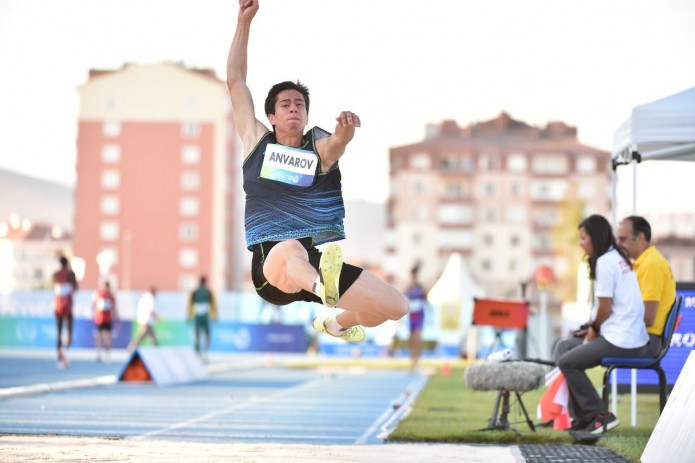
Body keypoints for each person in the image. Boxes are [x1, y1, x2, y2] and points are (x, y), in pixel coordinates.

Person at [226, 0, 408, 343]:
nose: (294, 108)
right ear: (274, 117)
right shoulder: (256, 142)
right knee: (292, 246)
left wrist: (346, 130)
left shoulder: (317, 148)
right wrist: (244, 23)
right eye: (286, 104)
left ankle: (336, 323)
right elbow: (235, 81)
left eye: (300, 104)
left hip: (315, 264)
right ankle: (322, 290)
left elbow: (337, 143)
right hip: (273, 269)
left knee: (395, 307)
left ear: (307, 116)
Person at [557, 214, 650, 434]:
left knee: (567, 363)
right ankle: (580, 417)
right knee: (564, 347)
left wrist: (594, 329)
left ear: (595, 238)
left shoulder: (605, 263)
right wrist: (592, 325)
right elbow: (609, 308)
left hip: (623, 340)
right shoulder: (615, 257)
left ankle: (599, 415)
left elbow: (605, 310)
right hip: (625, 334)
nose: (580, 243)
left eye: (583, 238)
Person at [616, 216, 677, 356]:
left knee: (567, 351)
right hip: (639, 338)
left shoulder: (651, 265)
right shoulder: (643, 263)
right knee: (569, 349)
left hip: (646, 342)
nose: (618, 244)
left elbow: (648, 317)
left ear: (640, 238)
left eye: (623, 239)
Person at [53, 255, 77, 368]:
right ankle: (65, 353)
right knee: (69, 331)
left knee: (58, 332)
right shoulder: (71, 274)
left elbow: (54, 289)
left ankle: (59, 356)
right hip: (68, 307)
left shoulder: (55, 275)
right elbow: (76, 288)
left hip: (57, 307)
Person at [405, 265, 428, 373]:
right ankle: (412, 363)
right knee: (411, 341)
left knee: (417, 339)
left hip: (419, 316)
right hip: (411, 317)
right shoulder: (408, 288)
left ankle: (417, 363)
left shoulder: (421, 287)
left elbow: (426, 299)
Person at [187, 276, 217, 355]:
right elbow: (213, 305)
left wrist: (189, 316)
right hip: (205, 314)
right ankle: (206, 349)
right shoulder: (208, 292)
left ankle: (197, 349)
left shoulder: (194, 292)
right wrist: (214, 316)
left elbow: (190, 304)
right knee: (207, 332)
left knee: (197, 332)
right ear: (205, 282)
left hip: (197, 314)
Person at [93, 280, 119, 362]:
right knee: (99, 336)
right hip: (100, 318)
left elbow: (114, 306)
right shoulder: (99, 294)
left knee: (108, 337)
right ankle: (98, 353)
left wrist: (115, 315)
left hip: (108, 319)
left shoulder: (111, 295)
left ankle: (108, 354)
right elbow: (95, 304)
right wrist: (94, 314)